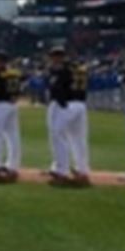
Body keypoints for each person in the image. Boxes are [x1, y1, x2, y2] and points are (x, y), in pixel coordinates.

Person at [46, 46, 78, 181]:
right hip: (54, 103)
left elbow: (66, 87)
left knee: (59, 134)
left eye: (56, 56)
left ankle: (63, 169)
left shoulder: (66, 71)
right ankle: (58, 164)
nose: (53, 59)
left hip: (63, 104)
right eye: (53, 56)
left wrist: (63, 102)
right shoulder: (53, 71)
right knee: (54, 135)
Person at [67, 56, 91, 179]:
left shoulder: (70, 73)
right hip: (82, 104)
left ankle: (61, 166)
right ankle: (83, 168)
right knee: (80, 138)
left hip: (70, 103)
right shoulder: (83, 72)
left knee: (61, 135)